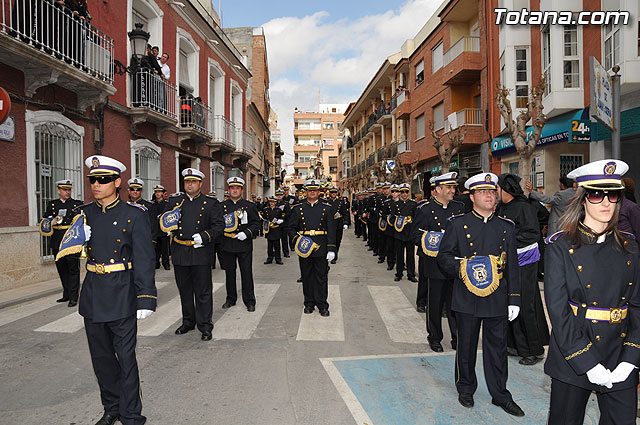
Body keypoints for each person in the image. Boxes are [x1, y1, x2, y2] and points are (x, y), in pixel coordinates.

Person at [544, 159, 640, 424]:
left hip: (620, 351)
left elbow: (637, 307)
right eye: (597, 194)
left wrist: (631, 358)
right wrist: (587, 362)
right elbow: (559, 311)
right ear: (583, 198)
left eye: (613, 194)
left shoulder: (630, 247)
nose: (606, 202)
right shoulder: (560, 246)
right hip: (574, 350)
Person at [73, 155, 157, 425]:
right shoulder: (85, 213)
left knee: (125, 358)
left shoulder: (134, 215)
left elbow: (144, 258)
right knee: (102, 359)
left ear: (117, 182)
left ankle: (131, 415)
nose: (96, 184)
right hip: (94, 294)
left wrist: (145, 298)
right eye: (93, 180)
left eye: (103, 180)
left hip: (122, 294)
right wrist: (77, 240)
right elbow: (70, 251)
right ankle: (112, 408)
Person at [438, 172, 524, 417]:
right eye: (483, 192)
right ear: (472, 196)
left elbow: (513, 266)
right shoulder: (457, 224)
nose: (490, 195)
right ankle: (466, 388)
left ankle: (500, 395)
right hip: (467, 295)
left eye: (492, 191)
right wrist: (465, 269)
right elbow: (444, 257)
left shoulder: (506, 226)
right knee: (465, 346)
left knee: (497, 349)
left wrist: (514, 299)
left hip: (497, 297)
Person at [162, 168, 224, 341]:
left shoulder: (211, 203)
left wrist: (204, 236)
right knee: (185, 290)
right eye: (187, 181)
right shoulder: (175, 201)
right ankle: (188, 321)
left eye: (193, 181)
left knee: (203, 291)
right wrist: (166, 228)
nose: (190, 184)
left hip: (200, 252)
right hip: (181, 251)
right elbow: (165, 219)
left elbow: (219, 226)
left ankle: (205, 325)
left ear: (200, 184)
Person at [497, 174, 549, 366]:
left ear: (506, 189)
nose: (495, 192)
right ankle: (515, 345)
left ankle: (533, 350)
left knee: (526, 305)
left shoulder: (524, 207)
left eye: (497, 189)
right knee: (511, 304)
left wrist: (508, 240)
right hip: (508, 263)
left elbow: (532, 234)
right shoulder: (502, 207)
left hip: (525, 263)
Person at [412, 172, 463, 351]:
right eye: (448, 187)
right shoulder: (424, 210)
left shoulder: (459, 208)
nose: (452, 190)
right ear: (438, 190)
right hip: (434, 266)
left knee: (455, 304)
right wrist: (433, 240)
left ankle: (457, 337)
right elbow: (416, 235)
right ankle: (434, 337)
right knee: (434, 304)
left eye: (453, 187)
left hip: (455, 265)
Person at [287, 179, 337, 316]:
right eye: (310, 190)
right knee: (307, 276)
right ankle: (308, 303)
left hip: (321, 246)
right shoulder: (298, 209)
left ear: (319, 192)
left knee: (321, 277)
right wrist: (298, 240)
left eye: (315, 190)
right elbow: (290, 228)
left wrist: (332, 249)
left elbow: (332, 230)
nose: (312, 192)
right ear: (306, 192)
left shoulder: (327, 208)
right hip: (304, 246)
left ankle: (322, 305)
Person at [39, 179, 83, 307]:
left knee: (73, 269)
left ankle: (74, 297)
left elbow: (81, 222)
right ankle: (66, 294)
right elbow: (45, 219)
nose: (67, 192)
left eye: (69, 189)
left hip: (71, 240)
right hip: (57, 240)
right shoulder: (52, 204)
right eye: (64, 190)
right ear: (59, 191)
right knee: (62, 269)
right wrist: (51, 220)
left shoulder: (77, 204)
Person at [220, 177, 260, 312]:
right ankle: (230, 298)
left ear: (242, 190)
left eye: (237, 188)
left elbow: (256, 224)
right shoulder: (222, 207)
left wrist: (247, 233)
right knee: (229, 273)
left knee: (246, 273)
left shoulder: (250, 206)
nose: (235, 190)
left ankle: (250, 301)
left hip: (244, 245)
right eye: (232, 188)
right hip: (227, 244)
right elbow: (218, 224)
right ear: (229, 190)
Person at [392, 183, 417, 282]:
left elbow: (416, 218)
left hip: (410, 233)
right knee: (399, 255)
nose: (404, 194)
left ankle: (411, 274)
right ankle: (399, 273)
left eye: (406, 192)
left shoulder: (413, 204)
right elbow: (393, 217)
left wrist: (410, 220)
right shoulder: (395, 205)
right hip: (399, 233)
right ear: (400, 193)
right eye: (402, 192)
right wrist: (401, 220)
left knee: (410, 255)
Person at [327, 186, 349, 263]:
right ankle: (331, 255)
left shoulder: (341, 202)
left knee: (337, 241)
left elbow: (345, 213)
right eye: (332, 192)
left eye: (335, 192)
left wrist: (346, 222)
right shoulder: (326, 202)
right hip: (329, 225)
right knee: (330, 240)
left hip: (338, 224)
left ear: (337, 193)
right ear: (330, 193)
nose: (333, 194)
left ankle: (335, 255)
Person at [151, 185, 170, 270]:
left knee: (165, 248)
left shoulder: (166, 204)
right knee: (156, 248)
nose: (157, 194)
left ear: (162, 193)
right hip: (155, 229)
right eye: (156, 192)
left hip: (163, 229)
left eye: (159, 192)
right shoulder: (152, 204)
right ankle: (156, 262)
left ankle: (166, 263)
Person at [262, 196, 284, 264]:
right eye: (271, 202)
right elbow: (264, 219)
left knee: (277, 245)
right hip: (269, 229)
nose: (272, 203)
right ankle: (269, 258)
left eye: (273, 202)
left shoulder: (279, 210)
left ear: (275, 202)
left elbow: (282, 218)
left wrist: (280, 221)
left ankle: (278, 258)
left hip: (276, 229)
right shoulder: (266, 210)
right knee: (270, 245)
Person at [275, 188, 291, 258]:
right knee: (276, 240)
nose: (279, 196)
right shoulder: (273, 203)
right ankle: (276, 254)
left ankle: (286, 252)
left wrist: (282, 219)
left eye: (280, 195)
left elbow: (288, 213)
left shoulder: (286, 203)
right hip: (275, 224)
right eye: (278, 195)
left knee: (284, 239)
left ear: (283, 195)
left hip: (284, 224)